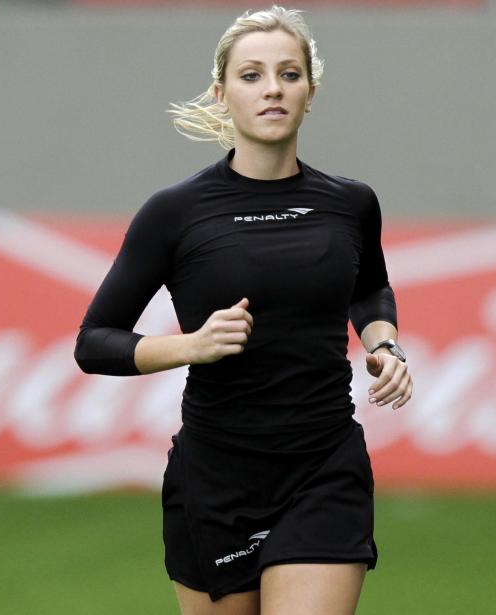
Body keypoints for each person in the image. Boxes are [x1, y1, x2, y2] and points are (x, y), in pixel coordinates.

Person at [74, 6, 412, 615]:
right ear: (222, 93)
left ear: (311, 91)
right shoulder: (174, 212)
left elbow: (369, 289)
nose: (273, 88)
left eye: (289, 73)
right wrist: (191, 345)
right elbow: (94, 342)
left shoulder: (352, 203)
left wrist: (383, 343)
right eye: (252, 75)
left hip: (324, 465)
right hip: (217, 478)